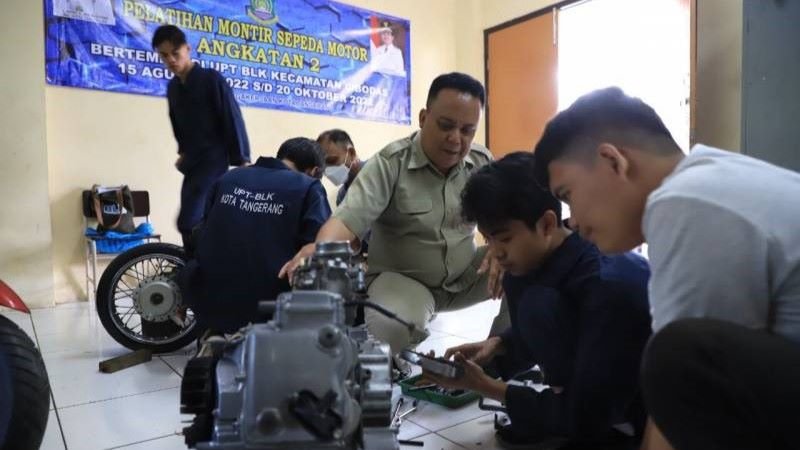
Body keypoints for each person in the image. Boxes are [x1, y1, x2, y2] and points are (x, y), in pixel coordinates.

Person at [532, 87, 800, 450]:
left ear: (613, 161)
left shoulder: (686, 201)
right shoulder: (717, 175)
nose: (573, 221)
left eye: (568, 196)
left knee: (678, 355)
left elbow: (687, 386)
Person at [424, 152, 651, 449]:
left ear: (546, 224)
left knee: (536, 303)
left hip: (646, 416)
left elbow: (593, 403)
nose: (495, 252)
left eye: (504, 238)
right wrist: (499, 344)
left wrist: (486, 387)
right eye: (488, 239)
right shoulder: (533, 261)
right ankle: (555, 417)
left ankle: (593, 429)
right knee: (529, 295)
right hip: (592, 396)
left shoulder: (604, 284)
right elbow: (556, 331)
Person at [280, 72, 501, 356]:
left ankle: (500, 352)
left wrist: (499, 244)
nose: (455, 139)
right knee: (391, 328)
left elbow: (504, 215)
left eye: (467, 130)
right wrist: (319, 249)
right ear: (423, 118)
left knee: (532, 259)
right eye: (445, 126)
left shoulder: (481, 162)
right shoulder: (390, 164)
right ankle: (399, 351)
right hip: (405, 282)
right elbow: (347, 220)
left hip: (466, 276)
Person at [181, 137, 330, 333]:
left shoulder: (228, 178)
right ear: (315, 171)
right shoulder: (309, 187)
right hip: (269, 312)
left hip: (210, 302)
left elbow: (204, 229)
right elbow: (319, 245)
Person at [152, 25, 251, 253]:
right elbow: (176, 122)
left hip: (215, 157)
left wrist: (242, 159)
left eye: (175, 53)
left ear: (187, 49)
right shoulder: (174, 87)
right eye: (164, 56)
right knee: (189, 222)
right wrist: (183, 151)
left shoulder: (210, 79)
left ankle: (201, 265)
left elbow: (232, 117)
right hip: (194, 161)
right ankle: (196, 265)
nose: (171, 60)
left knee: (191, 219)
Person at [317, 129, 363, 205]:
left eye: (332, 161)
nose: (327, 170)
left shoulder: (379, 174)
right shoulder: (342, 197)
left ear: (351, 153)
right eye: (323, 165)